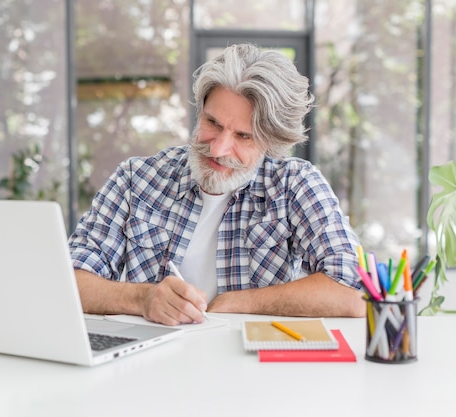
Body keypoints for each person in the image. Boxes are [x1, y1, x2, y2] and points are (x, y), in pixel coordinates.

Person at [69, 43, 365, 326]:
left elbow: (354, 292)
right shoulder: (136, 178)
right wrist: (141, 298)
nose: (219, 149)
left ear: (271, 143)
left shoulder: (295, 184)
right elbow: (68, 281)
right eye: (213, 123)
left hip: (255, 369)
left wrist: (239, 303)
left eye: (243, 136)